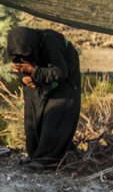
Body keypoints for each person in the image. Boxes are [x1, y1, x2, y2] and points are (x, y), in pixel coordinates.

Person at [5, 26, 81, 170]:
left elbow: (60, 72)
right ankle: (35, 154)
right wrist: (25, 78)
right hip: (41, 77)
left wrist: (34, 71)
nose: (25, 55)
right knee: (33, 107)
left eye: (27, 51)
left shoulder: (49, 43)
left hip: (65, 79)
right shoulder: (18, 49)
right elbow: (21, 68)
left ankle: (47, 158)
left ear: (32, 45)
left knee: (55, 112)